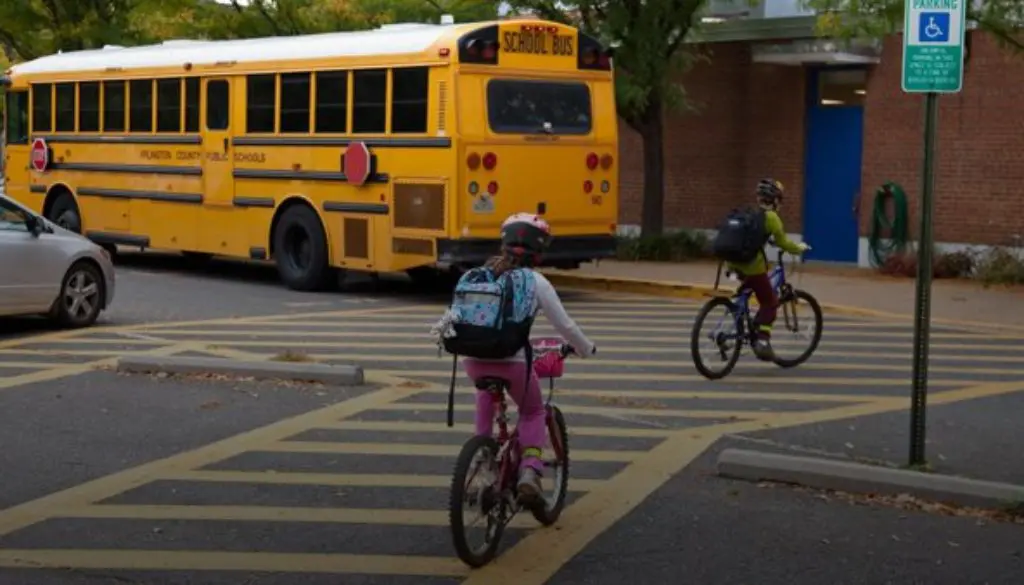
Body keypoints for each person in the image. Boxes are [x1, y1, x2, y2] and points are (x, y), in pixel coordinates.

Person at [431, 212, 597, 500]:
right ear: (539, 251)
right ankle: (530, 469)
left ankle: (483, 458)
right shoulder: (536, 282)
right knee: (532, 411)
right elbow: (565, 325)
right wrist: (585, 348)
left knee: (484, 393)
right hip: (514, 363)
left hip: (472, 360)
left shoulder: (477, 274)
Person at [726, 179, 810, 361]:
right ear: (775, 200)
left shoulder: (749, 214)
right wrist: (799, 248)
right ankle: (762, 341)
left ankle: (744, 323)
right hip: (752, 267)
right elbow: (782, 242)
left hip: (733, 263)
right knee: (770, 302)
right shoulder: (771, 218)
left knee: (749, 290)